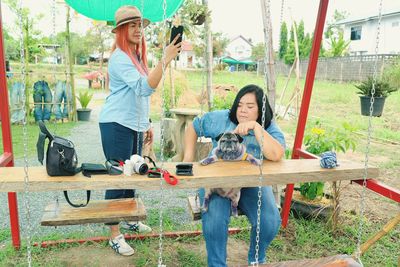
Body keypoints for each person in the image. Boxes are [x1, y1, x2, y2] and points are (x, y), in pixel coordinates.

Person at [98, 5, 181, 256]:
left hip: (133, 125)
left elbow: (140, 96)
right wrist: (165, 59)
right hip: (116, 125)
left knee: (133, 174)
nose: (138, 30)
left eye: (140, 26)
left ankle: (130, 219)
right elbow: (145, 88)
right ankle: (114, 234)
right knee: (119, 178)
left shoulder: (135, 56)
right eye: (131, 26)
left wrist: (145, 124)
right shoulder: (120, 57)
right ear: (121, 30)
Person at [183, 84, 285, 266]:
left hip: (252, 185)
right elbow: (194, 127)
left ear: (261, 110)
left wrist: (256, 127)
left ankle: (256, 260)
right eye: (239, 105)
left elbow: (277, 154)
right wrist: (188, 157)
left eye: (250, 106)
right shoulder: (221, 119)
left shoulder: (268, 127)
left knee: (269, 220)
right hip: (218, 183)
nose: (243, 110)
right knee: (215, 218)